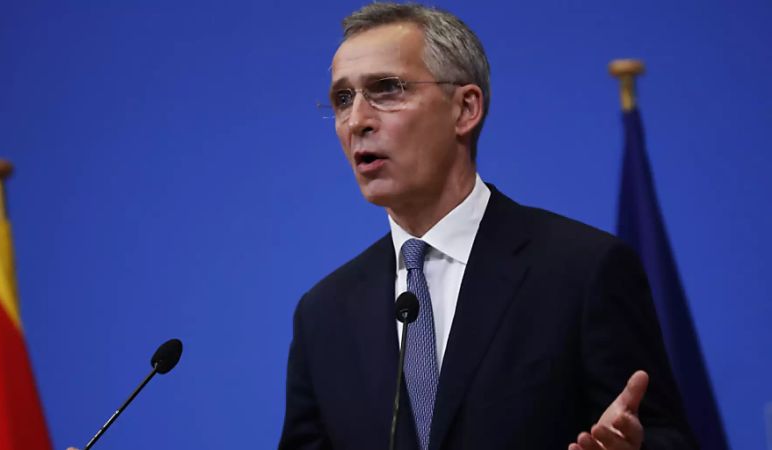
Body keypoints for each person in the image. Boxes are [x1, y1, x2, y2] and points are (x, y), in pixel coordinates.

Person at [278, 3, 697, 450]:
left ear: (465, 109)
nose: (357, 120)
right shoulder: (323, 314)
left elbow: (667, 436)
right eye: (343, 99)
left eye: (386, 89)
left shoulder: (582, 271)